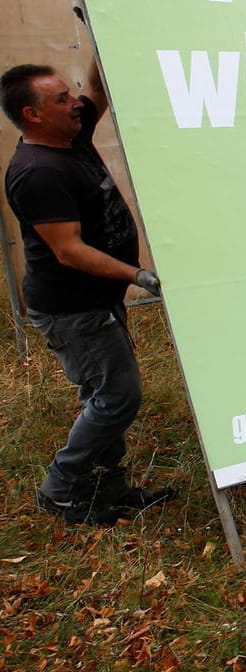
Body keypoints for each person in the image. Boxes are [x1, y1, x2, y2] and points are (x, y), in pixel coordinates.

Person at [3, 62, 175, 525]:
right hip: (72, 307)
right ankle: (60, 487)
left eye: (68, 93)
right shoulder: (38, 172)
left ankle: (108, 485)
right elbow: (69, 250)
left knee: (105, 391)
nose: (74, 103)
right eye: (60, 99)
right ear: (31, 114)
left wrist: (99, 22)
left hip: (96, 301)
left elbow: (99, 85)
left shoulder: (70, 138)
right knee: (117, 397)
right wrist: (138, 275)